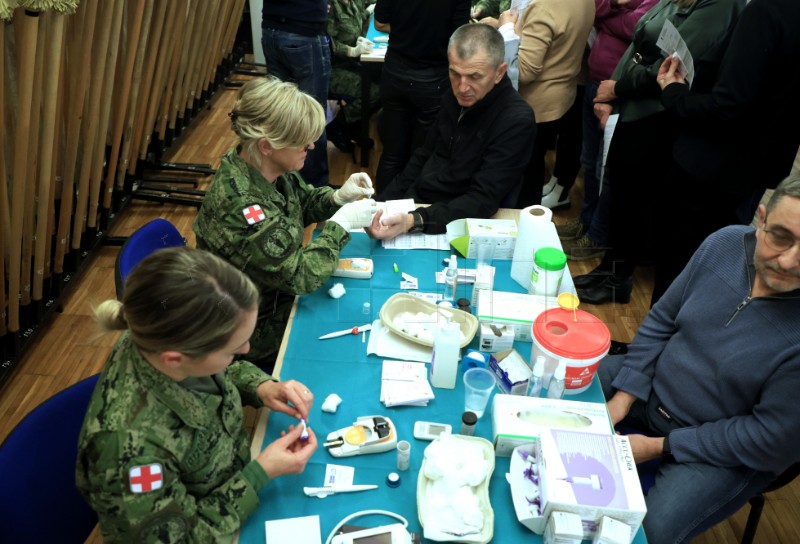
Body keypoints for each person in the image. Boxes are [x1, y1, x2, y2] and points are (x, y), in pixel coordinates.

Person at [598, 175, 800, 544]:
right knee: (561, 380)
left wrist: (662, 446)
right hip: (652, 391)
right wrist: (624, 395)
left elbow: (767, 439)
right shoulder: (723, 243)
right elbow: (662, 318)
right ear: (760, 219)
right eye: (781, 237)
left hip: (722, 450)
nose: (788, 262)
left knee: (646, 534)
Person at [76, 247, 318, 542]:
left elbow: (213, 371)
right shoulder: (130, 456)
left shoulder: (161, 331)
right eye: (233, 349)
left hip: (227, 480)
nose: (246, 351)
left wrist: (260, 385)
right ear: (175, 359)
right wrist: (260, 474)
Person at [193, 77, 377, 370]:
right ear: (267, 145)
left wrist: (338, 198)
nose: (312, 145)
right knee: (354, 343)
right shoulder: (240, 207)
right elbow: (301, 276)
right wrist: (340, 225)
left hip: (276, 298)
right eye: (301, 141)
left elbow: (300, 203)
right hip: (252, 328)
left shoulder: (263, 166)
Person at [575, 0, 744, 305]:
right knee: (621, 196)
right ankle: (608, 271)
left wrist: (618, 90)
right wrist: (610, 93)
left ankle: (618, 279)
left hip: (655, 117)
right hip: (630, 108)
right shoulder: (676, 2)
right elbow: (637, 47)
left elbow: (672, 64)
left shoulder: (720, 7)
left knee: (634, 201)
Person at [649, 0, 800, 304]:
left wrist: (674, 94)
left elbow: (727, 105)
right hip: (751, 172)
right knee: (712, 272)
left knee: (678, 275)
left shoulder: (767, 10)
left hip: (708, 170)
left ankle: (654, 349)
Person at [368, 23, 536, 239]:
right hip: (422, 204)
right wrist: (381, 203)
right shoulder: (453, 96)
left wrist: (416, 220)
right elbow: (422, 156)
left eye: (474, 77)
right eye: (455, 74)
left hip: (460, 222)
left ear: (499, 72)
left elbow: (482, 200)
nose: (462, 87)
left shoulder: (515, 120)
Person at [556, 0, 658, 261]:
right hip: (593, 84)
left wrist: (607, 20)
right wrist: (614, 4)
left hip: (620, 93)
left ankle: (599, 235)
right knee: (589, 162)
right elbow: (595, 10)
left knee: (607, 169)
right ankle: (586, 219)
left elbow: (637, 28)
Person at [373, 0, 471, 191]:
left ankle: (382, 210)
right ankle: (410, 215)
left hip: (396, 73)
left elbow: (379, 23)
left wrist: (407, 31)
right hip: (432, 79)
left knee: (392, 153)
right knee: (420, 155)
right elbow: (460, 37)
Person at [508, 0, 595, 208]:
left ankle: (522, 220)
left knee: (525, 173)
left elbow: (525, 71)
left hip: (536, 104)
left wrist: (507, 29)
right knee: (535, 166)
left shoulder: (544, 8)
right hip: (562, 96)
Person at [261, 0, 331, 186]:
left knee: (278, 112)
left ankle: (279, 185)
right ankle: (314, 193)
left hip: (271, 30)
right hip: (303, 31)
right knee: (312, 116)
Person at [326, 0, 382, 153]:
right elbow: (326, 42)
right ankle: (339, 126)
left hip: (351, 63)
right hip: (333, 69)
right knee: (376, 91)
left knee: (384, 81)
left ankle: (353, 127)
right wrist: (350, 50)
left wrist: (369, 11)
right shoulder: (331, 6)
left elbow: (361, 14)